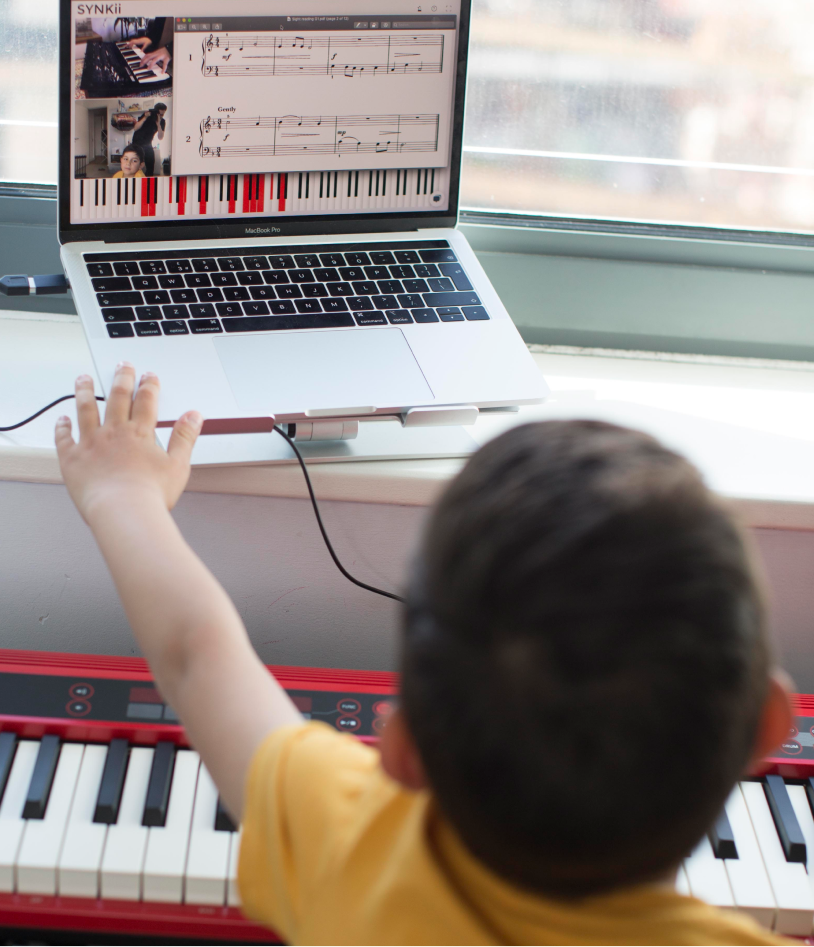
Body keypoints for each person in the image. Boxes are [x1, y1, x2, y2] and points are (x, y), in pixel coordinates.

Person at [55, 366, 794, 947]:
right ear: (768, 727)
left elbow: (194, 653)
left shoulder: (352, 850)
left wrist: (122, 493)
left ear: (400, 751)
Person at [131, 104, 167, 176]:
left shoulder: (162, 121)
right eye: (159, 114)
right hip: (136, 143)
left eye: (163, 114)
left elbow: (160, 137)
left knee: (151, 165)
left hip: (147, 144)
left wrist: (158, 124)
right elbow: (135, 128)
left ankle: (149, 181)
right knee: (134, 164)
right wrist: (145, 117)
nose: (161, 116)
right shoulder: (146, 116)